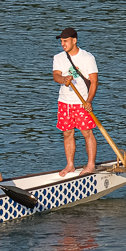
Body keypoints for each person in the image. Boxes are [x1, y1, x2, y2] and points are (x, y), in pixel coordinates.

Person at [53, 28, 99, 176]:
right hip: (64, 102)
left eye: (65, 41)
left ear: (74, 40)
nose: (63, 44)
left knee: (87, 132)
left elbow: (94, 82)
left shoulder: (87, 58)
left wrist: (89, 101)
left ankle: (91, 165)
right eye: (61, 41)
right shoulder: (59, 57)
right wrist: (64, 80)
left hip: (82, 103)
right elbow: (56, 76)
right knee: (67, 133)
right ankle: (70, 165)